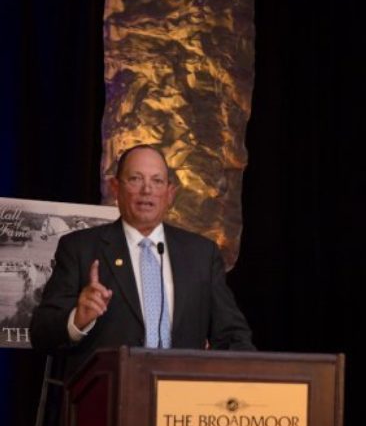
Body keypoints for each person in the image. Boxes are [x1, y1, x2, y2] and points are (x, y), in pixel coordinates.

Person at [30, 144, 254, 375]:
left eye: (157, 181)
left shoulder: (201, 254)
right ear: (115, 187)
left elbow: (232, 335)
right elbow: (41, 334)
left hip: (180, 402)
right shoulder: (80, 249)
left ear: (170, 193)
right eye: (135, 179)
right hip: (107, 399)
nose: (147, 190)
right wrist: (77, 320)